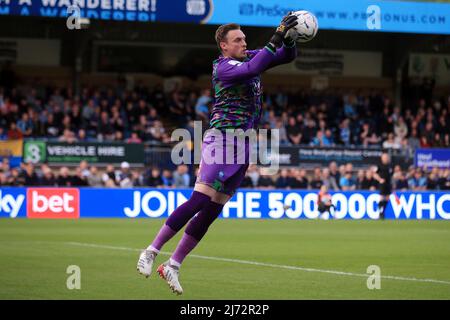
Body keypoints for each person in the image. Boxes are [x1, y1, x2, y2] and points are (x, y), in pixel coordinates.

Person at [137, 16, 299, 294]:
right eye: (238, 40)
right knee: (200, 199)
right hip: (221, 139)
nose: (244, 43)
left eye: (245, 39)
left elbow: (285, 56)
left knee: (213, 209)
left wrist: (291, 38)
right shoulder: (223, 67)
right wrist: (276, 35)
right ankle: (151, 250)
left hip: (244, 143)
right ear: (224, 46)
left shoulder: (249, 57)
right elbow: (254, 67)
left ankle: (173, 265)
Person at [373, 153, 393, 220]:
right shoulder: (379, 165)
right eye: (384, 157)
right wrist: (380, 179)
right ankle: (380, 212)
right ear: (382, 158)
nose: (386, 158)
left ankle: (383, 212)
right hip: (382, 184)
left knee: (387, 198)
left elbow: (391, 175)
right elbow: (374, 174)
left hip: (388, 184)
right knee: (382, 198)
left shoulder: (390, 165)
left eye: (386, 157)